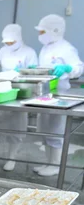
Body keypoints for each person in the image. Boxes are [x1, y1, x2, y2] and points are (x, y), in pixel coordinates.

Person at [0, 23, 38, 172]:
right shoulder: (3, 50)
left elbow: (35, 71)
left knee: (15, 130)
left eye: (12, 42)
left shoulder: (29, 52)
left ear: (18, 39)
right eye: (7, 42)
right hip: (2, 91)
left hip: (19, 92)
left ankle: (11, 158)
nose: (9, 44)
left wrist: (24, 71)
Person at [33, 14, 83, 177]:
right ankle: (48, 162)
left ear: (54, 30)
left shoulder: (66, 48)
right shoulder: (46, 47)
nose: (40, 35)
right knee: (45, 130)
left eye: (42, 31)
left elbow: (79, 67)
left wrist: (68, 68)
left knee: (55, 130)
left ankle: (55, 165)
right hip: (45, 94)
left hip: (60, 95)